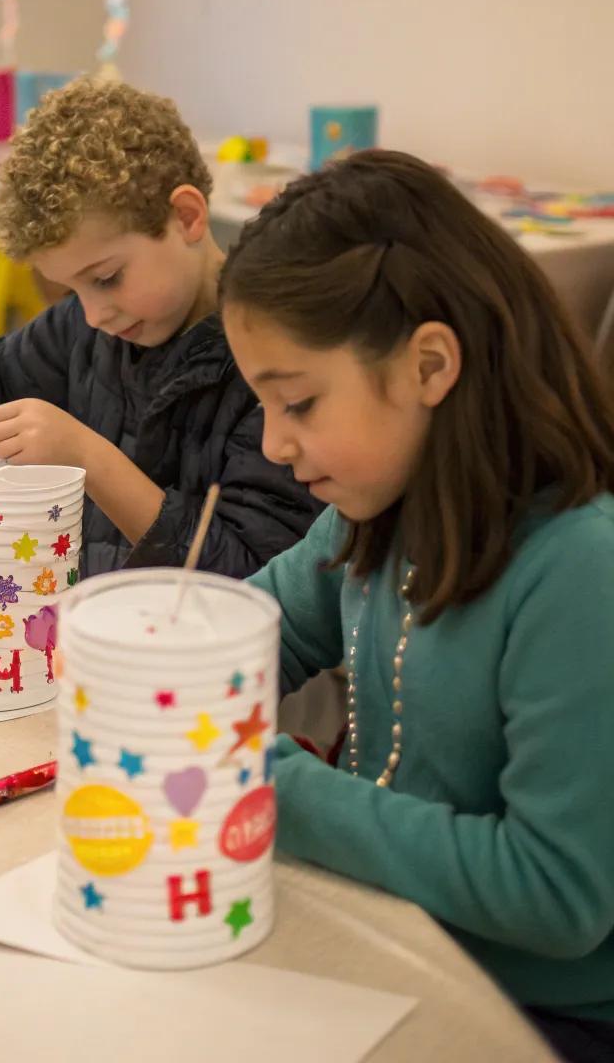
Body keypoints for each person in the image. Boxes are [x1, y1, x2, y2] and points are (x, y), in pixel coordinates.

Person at [220, 149, 614, 1063]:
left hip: (534, 1017)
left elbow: (556, 894)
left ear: (430, 364)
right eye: (262, 409)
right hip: (387, 940)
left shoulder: (578, 571)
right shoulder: (371, 511)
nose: (276, 445)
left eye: (300, 403)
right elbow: (250, 637)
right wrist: (153, 658)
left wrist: (276, 787)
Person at [0, 79, 317, 576]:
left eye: (107, 278)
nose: (95, 314)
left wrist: (89, 458)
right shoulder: (92, 327)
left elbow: (246, 573)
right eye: (74, 290)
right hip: (86, 626)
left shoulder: (268, 365)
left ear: (186, 217)